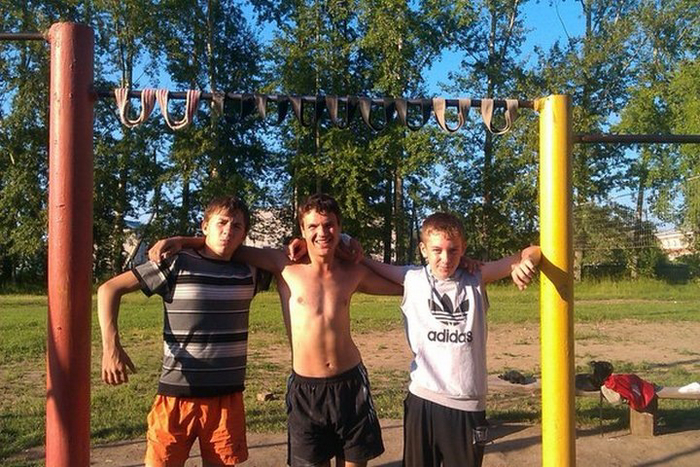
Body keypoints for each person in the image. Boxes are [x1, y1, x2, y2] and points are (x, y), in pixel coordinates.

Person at [149, 193, 402, 467]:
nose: (321, 232)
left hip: (350, 383)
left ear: (339, 228)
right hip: (306, 388)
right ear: (302, 230)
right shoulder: (284, 264)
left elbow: (403, 286)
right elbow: (227, 246)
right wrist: (182, 241)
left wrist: (353, 250)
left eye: (329, 225)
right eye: (313, 226)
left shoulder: (353, 272)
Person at [98, 196, 269, 467]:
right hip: (176, 396)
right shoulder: (176, 263)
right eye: (221, 223)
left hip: (225, 399)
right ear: (205, 226)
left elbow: (290, 256)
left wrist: (184, 239)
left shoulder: (251, 271)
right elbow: (109, 289)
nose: (227, 230)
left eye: (237, 226)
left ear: (244, 234)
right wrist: (111, 348)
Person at [360, 212, 541, 467]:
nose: (445, 258)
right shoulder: (412, 278)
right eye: (437, 250)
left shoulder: (476, 277)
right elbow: (365, 265)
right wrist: (350, 246)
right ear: (423, 249)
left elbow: (532, 251)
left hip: (467, 404)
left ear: (463, 248)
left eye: (453, 250)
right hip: (423, 400)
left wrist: (527, 262)